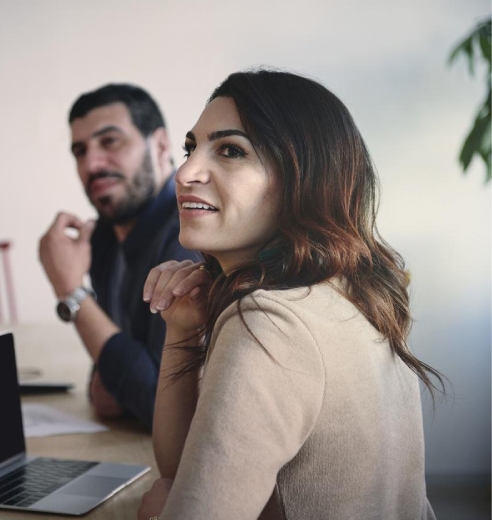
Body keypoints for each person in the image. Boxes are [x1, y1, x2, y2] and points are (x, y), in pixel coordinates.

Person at [138, 69, 442, 519]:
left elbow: (180, 500)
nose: (185, 172)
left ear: (304, 178)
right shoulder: (349, 291)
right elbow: (186, 472)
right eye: (191, 148)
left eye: (230, 150)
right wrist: (181, 327)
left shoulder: (269, 321)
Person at [39, 84, 200, 429]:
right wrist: (121, 376)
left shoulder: (191, 233)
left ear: (159, 146)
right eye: (80, 151)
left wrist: (71, 291)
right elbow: (107, 382)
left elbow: (163, 406)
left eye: (110, 141)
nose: (91, 164)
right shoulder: (102, 238)